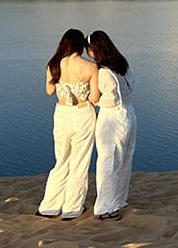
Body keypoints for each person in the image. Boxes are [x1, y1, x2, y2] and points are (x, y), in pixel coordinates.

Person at [37, 28, 99, 220]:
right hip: (82, 114)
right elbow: (95, 98)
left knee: (61, 161)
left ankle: (49, 207)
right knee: (79, 163)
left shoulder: (53, 64)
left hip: (61, 114)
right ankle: (72, 209)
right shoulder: (90, 67)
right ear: (81, 45)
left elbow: (49, 91)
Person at [88, 30, 136, 221]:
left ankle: (105, 208)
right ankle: (118, 200)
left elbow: (110, 99)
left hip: (112, 119)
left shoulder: (104, 72)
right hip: (129, 114)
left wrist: (93, 100)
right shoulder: (121, 64)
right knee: (124, 159)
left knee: (108, 162)